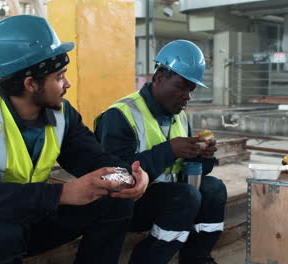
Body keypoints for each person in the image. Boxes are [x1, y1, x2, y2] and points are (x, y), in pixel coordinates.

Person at [0, 15, 149, 264]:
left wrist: (130, 175)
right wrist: (62, 193)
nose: (68, 83)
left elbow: (94, 159)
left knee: (115, 204)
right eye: (60, 76)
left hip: (33, 217)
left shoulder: (62, 115)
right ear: (31, 83)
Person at [95, 40, 227, 264]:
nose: (187, 96)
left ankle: (197, 257)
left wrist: (201, 157)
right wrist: (170, 150)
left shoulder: (178, 115)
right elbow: (116, 176)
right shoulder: (121, 115)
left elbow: (184, 170)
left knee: (214, 188)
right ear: (159, 78)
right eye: (182, 86)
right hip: (127, 205)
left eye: (191, 89)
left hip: (167, 199)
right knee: (186, 196)